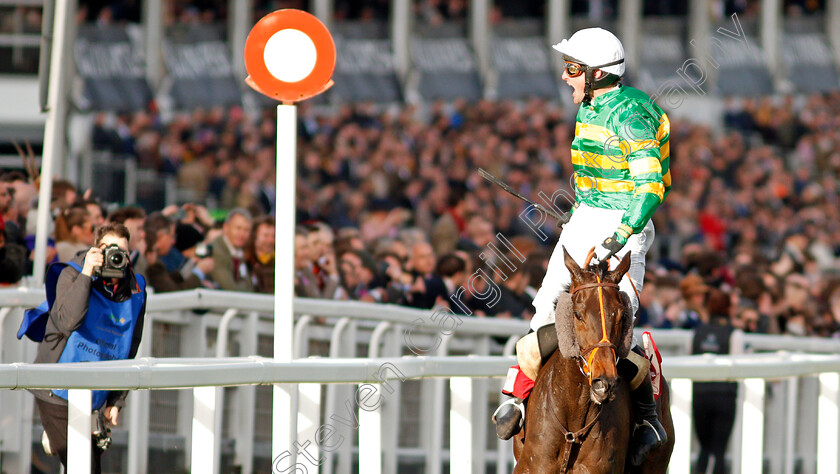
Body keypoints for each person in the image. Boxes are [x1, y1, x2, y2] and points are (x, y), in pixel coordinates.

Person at [492, 27, 671, 466]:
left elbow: (650, 187)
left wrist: (622, 231)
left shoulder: (630, 115)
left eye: (572, 69)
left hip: (624, 225)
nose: (566, 77)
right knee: (543, 309)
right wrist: (584, 219)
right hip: (586, 217)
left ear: (596, 74)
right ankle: (517, 399)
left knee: (614, 322)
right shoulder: (589, 106)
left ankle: (645, 417)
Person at [31, 222, 146, 473]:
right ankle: (57, 433)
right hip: (56, 389)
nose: (115, 256)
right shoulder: (72, 273)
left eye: (122, 252)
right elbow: (67, 321)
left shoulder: (135, 288)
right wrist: (87, 274)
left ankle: (57, 437)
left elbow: (129, 347)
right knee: (85, 468)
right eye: (107, 249)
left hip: (94, 395)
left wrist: (117, 399)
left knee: (87, 465)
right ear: (95, 249)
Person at [692, 289, 742, 474]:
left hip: (700, 394)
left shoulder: (697, 332)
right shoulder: (734, 334)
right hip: (724, 396)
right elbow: (737, 366)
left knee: (704, 449)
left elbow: (691, 362)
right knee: (719, 451)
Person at [209, 208, 254, 291]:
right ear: (226, 227)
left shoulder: (239, 250)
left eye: (246, 230)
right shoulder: (216, 251)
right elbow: (231, 290)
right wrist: (245, 285)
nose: (242, 234)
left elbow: (250, 287)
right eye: (238, 228)